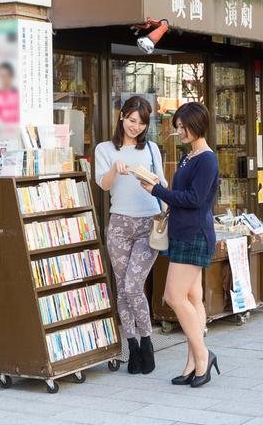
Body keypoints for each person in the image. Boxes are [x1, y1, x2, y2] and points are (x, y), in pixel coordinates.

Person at [137, 101, 220, 389]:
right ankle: (191, 363)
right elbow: (185, 195)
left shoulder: (207, 159)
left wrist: (158, 190)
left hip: (194, 234)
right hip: (184, 231)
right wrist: (161, 188)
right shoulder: (190, 156)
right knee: (193, 298)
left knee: (174, 296)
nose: (180, 132)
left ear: (198, 126)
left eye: (184, 127)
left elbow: (195, 200)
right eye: (178, 128)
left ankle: (203, 357)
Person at [95, 95, 167, 375]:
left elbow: (162, 181)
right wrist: (115, 168)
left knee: (133, 286)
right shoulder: (105, 149)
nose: (135, 126)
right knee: (122, 288)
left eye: (141, 123)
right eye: (131, 120)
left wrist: (163, 205)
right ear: (122, 117)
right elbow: (103, 185)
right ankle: (132, 345)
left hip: (148, 223)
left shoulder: (151, 148)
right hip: (120, 225)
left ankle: (147, 340)